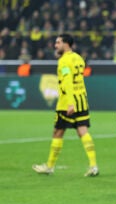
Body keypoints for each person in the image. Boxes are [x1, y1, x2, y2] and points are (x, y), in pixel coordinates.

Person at [32, 33, 99, 177]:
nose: (55, 46)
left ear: (66, 44)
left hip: (67, 102)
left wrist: (70, 103)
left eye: (58, 43)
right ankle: (93, 166)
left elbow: (68, 81)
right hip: (81, 99)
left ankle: (49, 166)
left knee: (58, 132)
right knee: (83, 131)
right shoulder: (79, 58)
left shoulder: (64, 61)